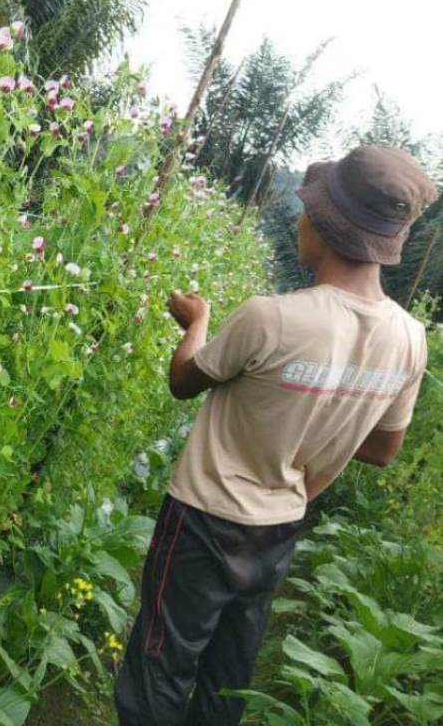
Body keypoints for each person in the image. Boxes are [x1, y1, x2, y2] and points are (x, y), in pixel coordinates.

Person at [114, 145, 438, 726]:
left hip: (203, 520)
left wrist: (198, 322)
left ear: (324, 224)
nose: (298, 220)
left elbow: (185, 381)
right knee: (228, 678)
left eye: (306, 211)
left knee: (160, 665)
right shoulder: (410, 338)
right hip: (280, 528)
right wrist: (321, 422)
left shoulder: (273, 316)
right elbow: (384, 448)